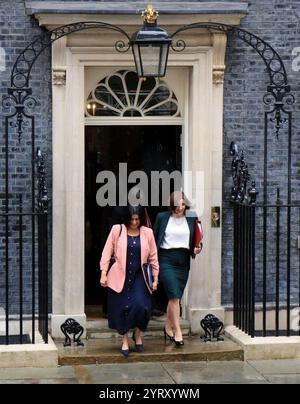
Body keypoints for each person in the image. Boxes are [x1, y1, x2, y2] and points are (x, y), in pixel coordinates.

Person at [100, 205, 159, 357]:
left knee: (143, 306)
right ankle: (125, 339)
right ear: (127, 219)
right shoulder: (117, 230)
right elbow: (107, 252)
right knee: (123, 309)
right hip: (120, 274)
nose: (134, 222)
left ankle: (137, 333)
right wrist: (103, 273)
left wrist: (156, 278)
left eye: (137, 219)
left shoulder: (148, 233)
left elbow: (153, 257)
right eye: (132, 219)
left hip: (140, 276)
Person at [153, 191, 202, 347]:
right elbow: (154, 239)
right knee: (174, 296)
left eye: (182, 204)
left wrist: (197, 248)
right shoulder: (162, 217)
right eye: (177, 205)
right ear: (171, 205)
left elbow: (198, 240)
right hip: (166, 259)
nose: (180, 208)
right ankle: (178, 331)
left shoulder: (192, 217)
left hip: (183, 260)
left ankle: (167, 326)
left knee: (175, 297)